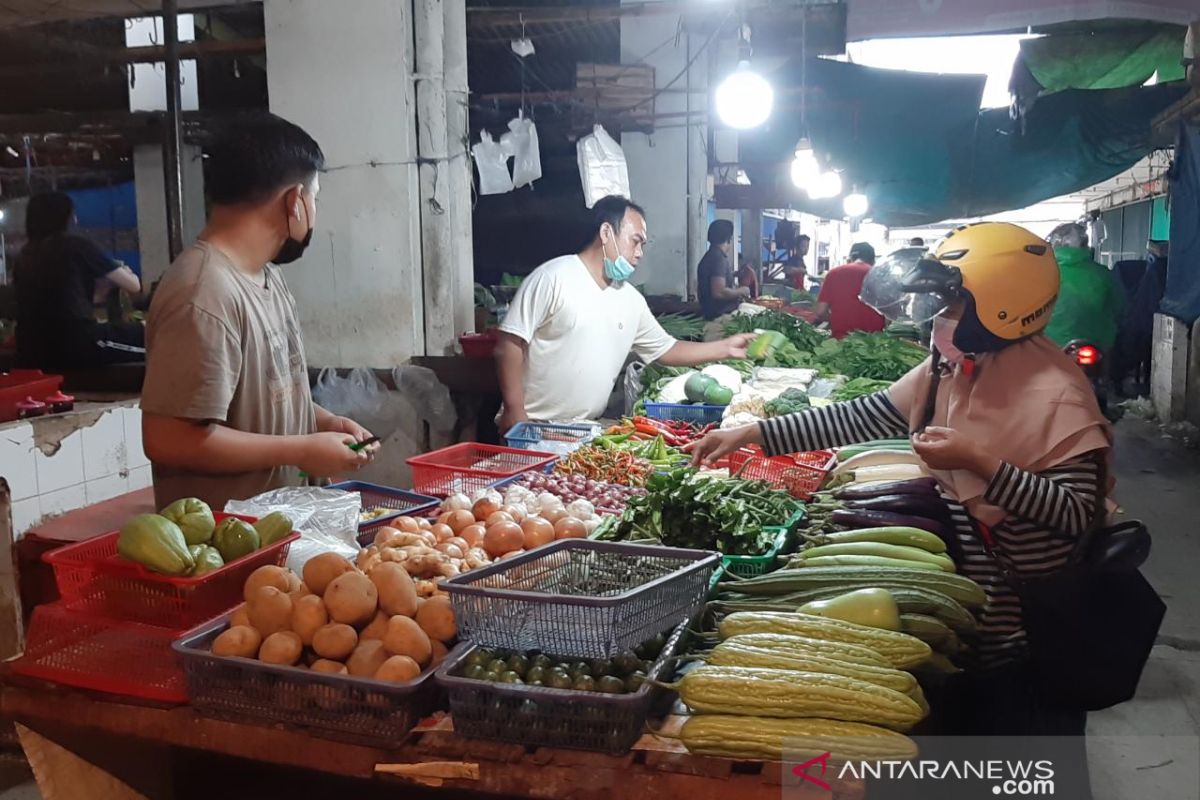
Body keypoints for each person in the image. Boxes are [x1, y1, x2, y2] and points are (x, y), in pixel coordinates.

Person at [691, 222, 1107, 797]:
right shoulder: (955, 366)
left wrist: (981, 462)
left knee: (1026, 771)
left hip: (1026, 632)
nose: (937, 318)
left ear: (1006, 307)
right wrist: (756, 432)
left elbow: (1075, 514)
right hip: (967, 612)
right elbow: (861, 416)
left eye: (954, 305)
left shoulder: (1057, 392)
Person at [140, 114, 378, 510]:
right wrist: (301, 449)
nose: (314, 210)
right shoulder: (203, 293)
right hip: (225, 546)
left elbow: (265, 397)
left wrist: (322, 423)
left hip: (279, 529)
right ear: (295, 201)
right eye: (314, 198)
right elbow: (168, 438)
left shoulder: (265, 276)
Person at [495, 195, 755, 431]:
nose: (640, 253)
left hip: (583, 428)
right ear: (606, 232)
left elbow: (666, 349)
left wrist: (725, 348)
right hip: (531, 426)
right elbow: (510, 343)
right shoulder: (553, 278)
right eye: (635, 242)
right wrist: (515, 409)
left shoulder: (630, 299)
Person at [13, 192, 144, 369]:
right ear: (66, 218)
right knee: (151, 336)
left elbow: (64, 301)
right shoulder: (75, 245)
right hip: (77, 344)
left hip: (31, 348)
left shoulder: (25, 255)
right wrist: (125, 272)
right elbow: (133, 285)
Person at [1042, 222, 1124, 355]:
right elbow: (1121, 307)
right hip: (1097, 344)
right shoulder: (1103, 274)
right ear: (1085, 245)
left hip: (1049, 346)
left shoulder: (1042, 274)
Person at [812, 241, 885, 338]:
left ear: (851, 258)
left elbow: (820, 311)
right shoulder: (882, 276)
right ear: (873, 260)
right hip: (873, 344)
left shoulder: (833, 273)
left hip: (842, 343)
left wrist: (836, 319)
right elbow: (889, 318)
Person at [697, 219, 750, 320]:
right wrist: (742, 291)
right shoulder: (718, 259)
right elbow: (719, 292)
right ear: (728, 239)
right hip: (720, 317)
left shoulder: (710, 256)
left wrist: (732, 274)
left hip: (710, 313)